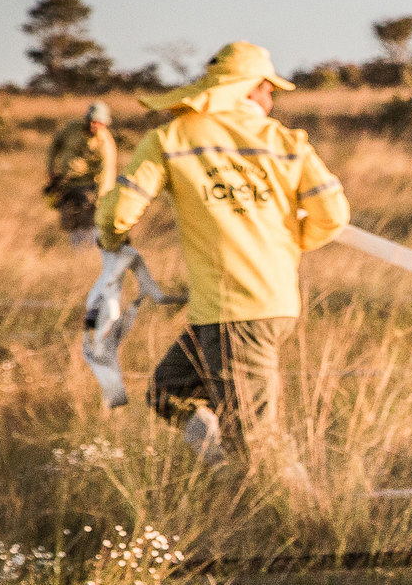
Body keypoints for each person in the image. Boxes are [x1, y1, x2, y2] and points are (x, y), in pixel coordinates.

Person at [96, 42, 349, 464]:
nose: (271, 99)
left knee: (254, 443)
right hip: (269, 304)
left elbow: (118, 211)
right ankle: (224, 469)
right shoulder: (284, 141)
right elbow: (333, 214)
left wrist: (112, 241)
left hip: (235, 312)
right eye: (268, 89)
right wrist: (288, 244)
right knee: (168, 390)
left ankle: (291, 515)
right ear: (250, 90)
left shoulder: (171, 138)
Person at [46, 101, 118, 247]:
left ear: (104, 124)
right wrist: (51, 170)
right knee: (70, 222)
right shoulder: (71, 129)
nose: (93, 125)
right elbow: (54, 146)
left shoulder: (106, 143)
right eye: (91, 121)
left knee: (89, 223)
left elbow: (107, 172)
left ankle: (91, 254)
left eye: (98, 123)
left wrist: (100, 199)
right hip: (67, 185)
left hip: (89, 188)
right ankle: (77, 254)